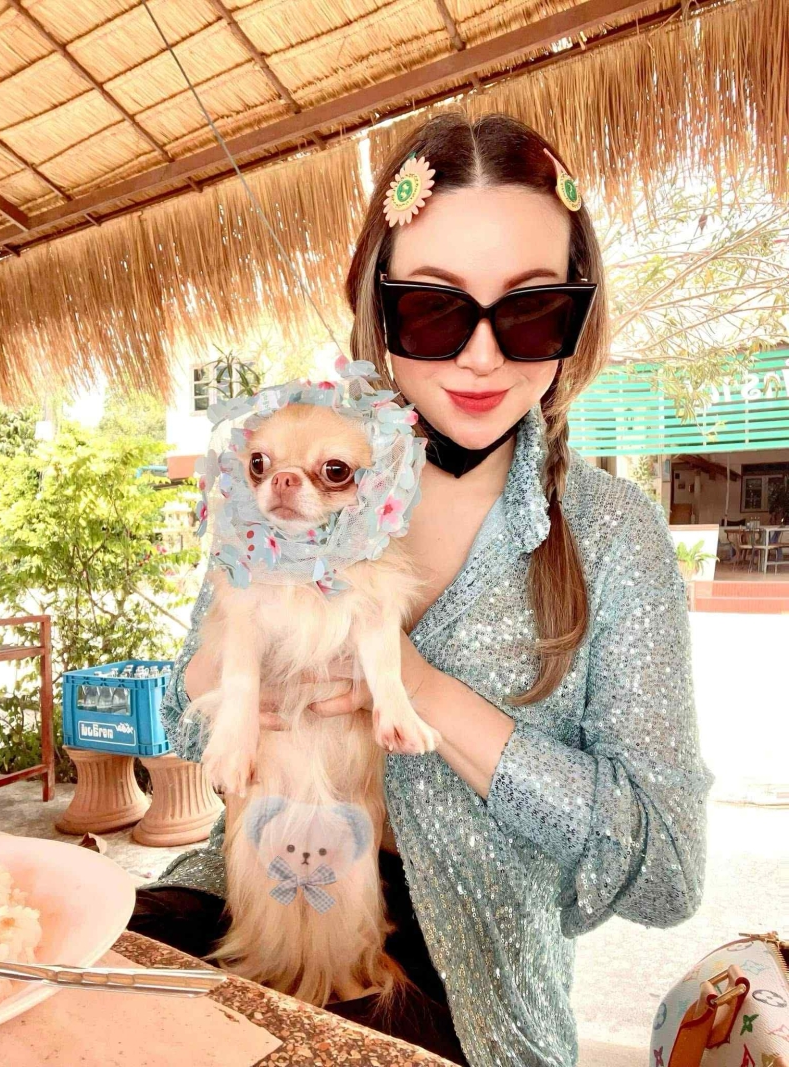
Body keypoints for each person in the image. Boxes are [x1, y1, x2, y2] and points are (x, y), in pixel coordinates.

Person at [129, 112, 713, 1067]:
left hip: (466, 978)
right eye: (436, 311)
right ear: (380, 307)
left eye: (532, 311)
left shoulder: (613, 534)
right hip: (246, 892)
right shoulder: (296, 463)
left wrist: (420, 690)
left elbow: (667, 872)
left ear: (580, 315)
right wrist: (231, 683)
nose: (482, 356)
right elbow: (191, 725)